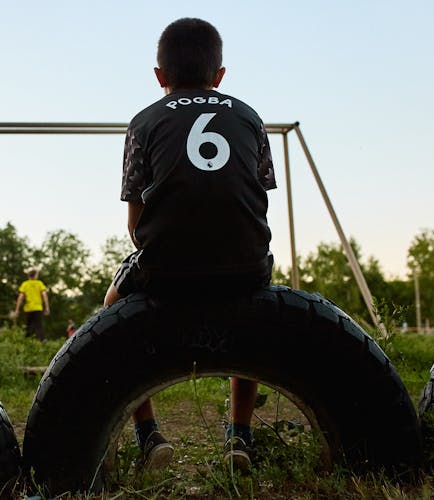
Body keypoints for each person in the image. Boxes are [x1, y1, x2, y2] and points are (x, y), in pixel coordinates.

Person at [104, 18, 276, 471]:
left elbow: (136, 224)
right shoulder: (250, 117)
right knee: (256, 322)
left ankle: (149, 435)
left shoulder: (144, 121)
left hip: (165, 268)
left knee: (111, 311)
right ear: (220, 76)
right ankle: (240, 433)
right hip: (246, 265)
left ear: (159, 76)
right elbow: (256, 201)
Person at [13, 269, 50, 340]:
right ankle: (42, 341)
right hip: (37, 308)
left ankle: (27, 342)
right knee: (39, 326)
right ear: (35, 275)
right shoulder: (39, 283)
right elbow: (44, 295)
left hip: (28, 309)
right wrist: (47, 307)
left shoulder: (25, 284)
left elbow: (20, 297)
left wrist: (17, 310)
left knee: (27, 326)